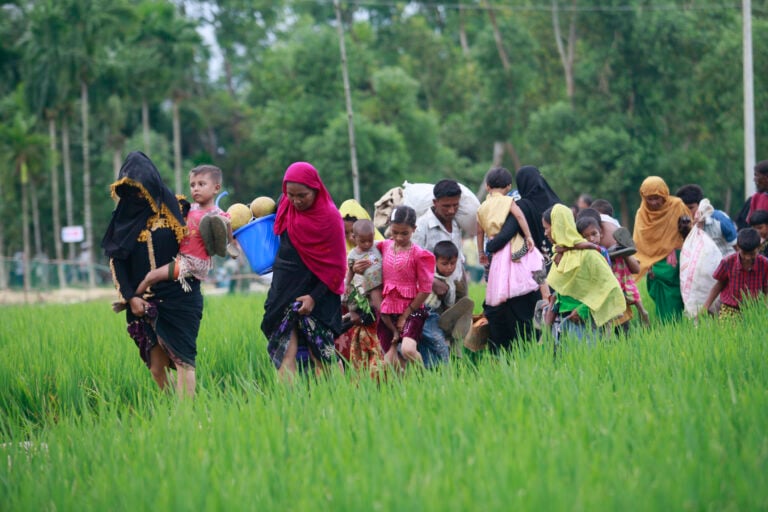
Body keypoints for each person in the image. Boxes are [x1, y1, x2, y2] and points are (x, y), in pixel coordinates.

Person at [101, 151, 203, 398]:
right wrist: (129, 297)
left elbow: (198, 250)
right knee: (157, 367)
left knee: (182, 359)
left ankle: (187, 416)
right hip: (141, 301)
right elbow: (117, 262)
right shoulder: (122, 220)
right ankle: (171, 410)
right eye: (131, 192)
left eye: (141, 190)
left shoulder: (179, 209)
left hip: (180, 297)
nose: (137, 197)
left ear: (152, 187)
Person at [261, 162, 347, 380]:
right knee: (284, 355)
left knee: (324, 357)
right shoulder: (285, 205)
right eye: (291, 194)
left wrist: (313, 297)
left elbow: (337, 266)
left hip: (317, 293)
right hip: (284, 289)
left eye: (303, 195)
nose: (296, 201)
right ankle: (287, 409)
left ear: (315, 190)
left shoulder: (330, 217)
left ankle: (337, 404)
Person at [113, 165, 238, 309]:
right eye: (192, 185)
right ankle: (134, 299)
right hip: (181, 257)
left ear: (216, 188)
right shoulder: (189, 208)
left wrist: (230, 244)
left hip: (192, 263)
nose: (195, 188)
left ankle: (131, 301)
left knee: (151, 277)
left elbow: (228, 231)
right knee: (152, 277)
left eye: (201, 184)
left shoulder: (217, 214)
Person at [478, 167, 547, 351]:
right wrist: (529, 237)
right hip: (530, 264)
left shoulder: (486, 206)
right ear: (509, 186)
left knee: (504, 300)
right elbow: (519, 221)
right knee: (532, 313)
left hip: (503, 258)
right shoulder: (520, 202)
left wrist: (485, 250)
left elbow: (487, 232)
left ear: (487, 186)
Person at [543, 205, 625, 345]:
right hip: (565, 320)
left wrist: (584, 309)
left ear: (558, 226)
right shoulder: (561, 255)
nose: (545, 233)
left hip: (585, 321)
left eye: (547, 228)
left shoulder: (589, 255)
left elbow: (609, 287)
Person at [377, 205, 435, 369]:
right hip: (388, 310)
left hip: (412, 310)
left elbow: (425, 289)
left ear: (414, 229)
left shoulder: (419, 254)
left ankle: (424, 377)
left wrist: (405, 315)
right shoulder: (384, 246)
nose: (399, 237)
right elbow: (363, 246)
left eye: (405, 233)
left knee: (408, 349)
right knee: (391, 361)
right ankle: (405, 390)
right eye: (395, 232)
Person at [633, 176, 691, 322]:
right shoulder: (642, 214)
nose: (653, 203)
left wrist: (684, 228)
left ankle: (679, 326)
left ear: (664, 194)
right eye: (649, 199)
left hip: (675, 258)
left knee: (678, 294)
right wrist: (648, 263)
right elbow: (640, 242)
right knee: (660, 297)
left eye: (657, 198)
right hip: (653, 263)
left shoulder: (677, 205)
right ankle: (668, 327)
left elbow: (689, 232)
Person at [702, 228, 768, 318]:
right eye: (744, 253)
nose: (747, 258)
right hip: (730, 309)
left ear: (759, 248)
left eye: (752, 254)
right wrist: (706, 306)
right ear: (738, 248)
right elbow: (718, 285)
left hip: (753, 309)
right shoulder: (728, 262)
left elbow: (766, 288)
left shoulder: (764, 264)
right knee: (729, 331)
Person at [417, 240, 459, 368]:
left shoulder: (450, 285)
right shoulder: (426, 271)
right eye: (445, 264)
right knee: (432, 342)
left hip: (431, 315)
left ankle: (439, 370)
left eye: (453, 264)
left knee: (436, 341)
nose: (449, 267)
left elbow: (448, 306)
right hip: (417, 311)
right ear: (435, 261)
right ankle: (442, 368)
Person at [675, 184, 737, 256]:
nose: (687, 212)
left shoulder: (719, 220)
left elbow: (737, 247)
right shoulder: (681, 225)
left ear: (701, 205)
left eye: (691, 208)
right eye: (683, 209)